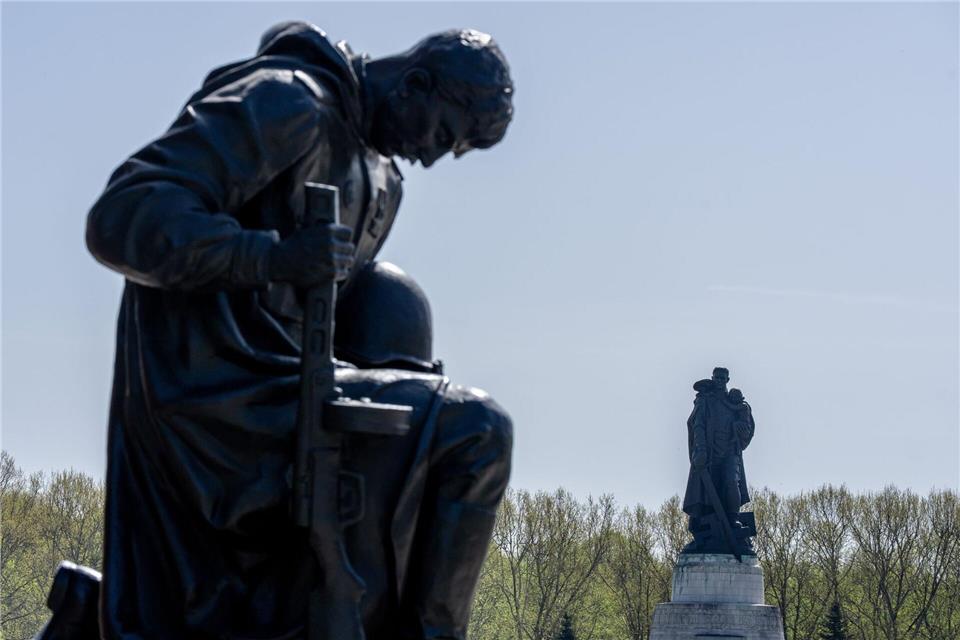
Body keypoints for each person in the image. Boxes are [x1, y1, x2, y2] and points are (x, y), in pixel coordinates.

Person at [84, 21, 513, 640]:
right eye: (441, 133)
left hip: (295, 392)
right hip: (213, 401)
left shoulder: (384, 182)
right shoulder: (286, 100)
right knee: (478, 428)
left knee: (423, 407)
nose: (431, 156)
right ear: (414, 83)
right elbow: (123, 217)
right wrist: (269, 257)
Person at [681, 367, 755, 555]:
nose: (720, 380)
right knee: (705, 493)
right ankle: (702, 532)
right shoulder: (706, 400)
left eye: (723, 377)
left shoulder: (735, 402)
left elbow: (747, 427)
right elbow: (697, 425)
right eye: (717, 377)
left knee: (731, 483)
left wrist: (741, 426)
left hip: (730, 452)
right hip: (709, 454)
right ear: (713, 378)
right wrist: (700, 450)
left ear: (728, 379)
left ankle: (733, 520)